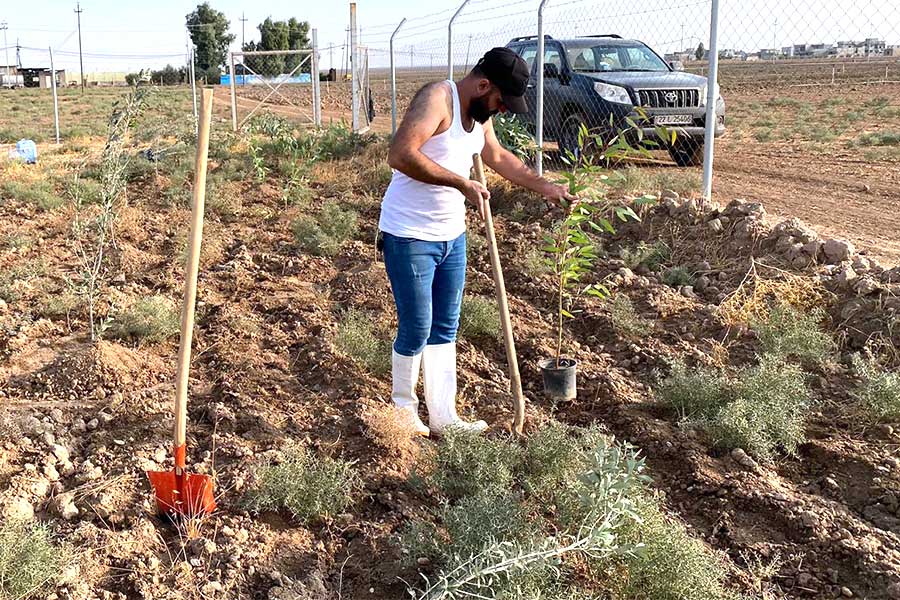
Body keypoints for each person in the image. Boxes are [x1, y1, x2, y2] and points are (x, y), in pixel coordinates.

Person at [379, 47, 576, 436]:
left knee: (446, 327)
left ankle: (443, 417)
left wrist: (546, 187)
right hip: (409, 234)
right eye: (501, 101)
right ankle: (403, 410)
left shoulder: (480, 116)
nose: (502, 110)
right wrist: (460, 182)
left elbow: (498, 156)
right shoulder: (438, 99)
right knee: (418, 326)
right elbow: (400, 154)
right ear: (483, 84)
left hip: (452, 236)